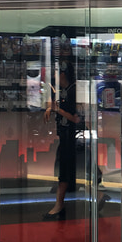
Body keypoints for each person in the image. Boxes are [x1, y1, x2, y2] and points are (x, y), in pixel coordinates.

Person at [42, 61, 80, 220]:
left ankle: (59, 205)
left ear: (63, 74)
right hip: (64, 137)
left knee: (64, 172)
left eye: (57, 73)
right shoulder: (61, 90)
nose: (54, 76)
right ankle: (60, 204)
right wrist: (52, 108)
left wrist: (58, 110)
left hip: (71, 138)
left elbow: (76, 119)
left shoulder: (73, 92)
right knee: (65, 170)